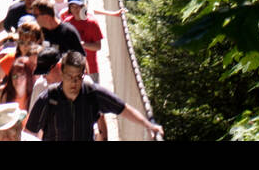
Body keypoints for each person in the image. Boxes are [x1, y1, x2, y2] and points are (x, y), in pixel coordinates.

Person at [26, 51, 164, 141]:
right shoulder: (48, 97)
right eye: (69, 76)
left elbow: (122, 108)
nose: (74, 82)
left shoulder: (91, 92)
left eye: (78, 77)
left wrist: (149, 125)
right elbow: (30, 131)